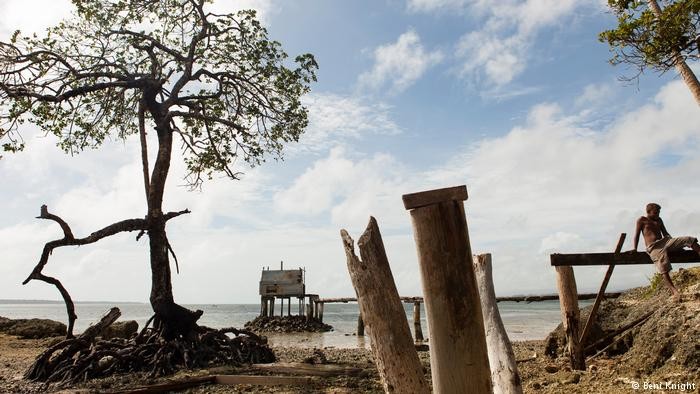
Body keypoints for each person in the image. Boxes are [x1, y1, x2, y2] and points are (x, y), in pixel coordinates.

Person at [630, 203, 700, 302]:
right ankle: (674, 291)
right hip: (653, 247)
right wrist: (634, 248)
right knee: (663, 266)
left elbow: (665, 233)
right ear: (648, 212)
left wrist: (676, 246)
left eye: (658, 212)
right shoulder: (642, 220)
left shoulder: (659, 220)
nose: (657, 214)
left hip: (666, 242)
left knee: (688, 239)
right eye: (655, 212)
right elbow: (636, 235)